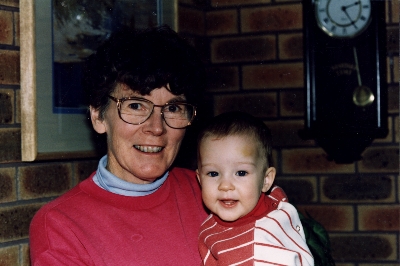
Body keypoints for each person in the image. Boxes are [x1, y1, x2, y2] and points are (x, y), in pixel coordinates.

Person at [29, 25, 208, 265]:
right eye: (135, 105)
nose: (156, 127)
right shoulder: (61, 225)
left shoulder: (212, 192)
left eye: (173, 108)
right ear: (98, 116)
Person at [196, 111, 314, 266]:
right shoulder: (271, 203)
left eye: (241, 172)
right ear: (199, 179)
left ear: (266, 180)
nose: (225, 185)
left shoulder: (258, 249)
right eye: (213, 173)